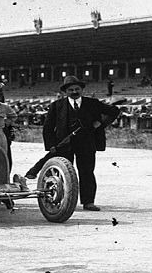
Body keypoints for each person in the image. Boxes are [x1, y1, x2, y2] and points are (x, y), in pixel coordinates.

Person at [39, 76, 120, 211]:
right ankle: (64, 200)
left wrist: (101, 123)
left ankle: (88, 202)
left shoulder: (92, 103)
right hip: (64, 145)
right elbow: (48, 127)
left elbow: (114, 111)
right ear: (65, 91)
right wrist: (51, 145)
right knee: (63, 173)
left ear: (82, 89)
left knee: (87, 172)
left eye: (77, 89)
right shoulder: (56, 106)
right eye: (71, 90)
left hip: (87, 144)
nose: (74, 92)